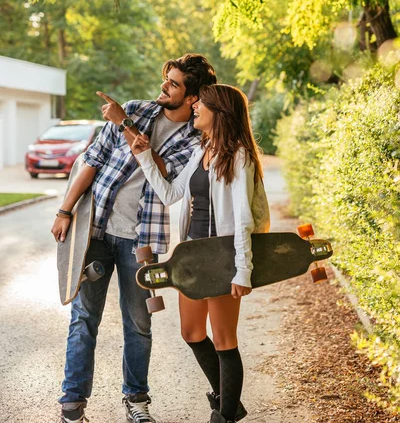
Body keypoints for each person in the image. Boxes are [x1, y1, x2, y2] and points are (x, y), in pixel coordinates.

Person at [51, 54, 217, 423]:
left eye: (173, 84)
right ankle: (72, 402)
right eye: (166, 79)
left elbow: (163, 172)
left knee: (139, 324)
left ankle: (136, 400)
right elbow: (91, 160)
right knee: (83, 317)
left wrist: (124, 124)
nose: (164, 87)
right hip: (95, 230)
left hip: (142, 241)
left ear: (193, 98)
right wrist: (65, 210)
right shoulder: (135, 110)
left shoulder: (195, 139)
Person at [131, 84, 270, 423]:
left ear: (219, 111)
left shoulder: (238, 156)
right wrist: (144, 157)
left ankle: (224, 415)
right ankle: (230, 402)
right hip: (192, 258)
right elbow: (170, 193)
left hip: (223, 258)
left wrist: (242, 270)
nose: (194, 108)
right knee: (191, 332)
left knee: (224, 340)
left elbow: (243, 219)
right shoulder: (202, 150)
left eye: (201, 105)